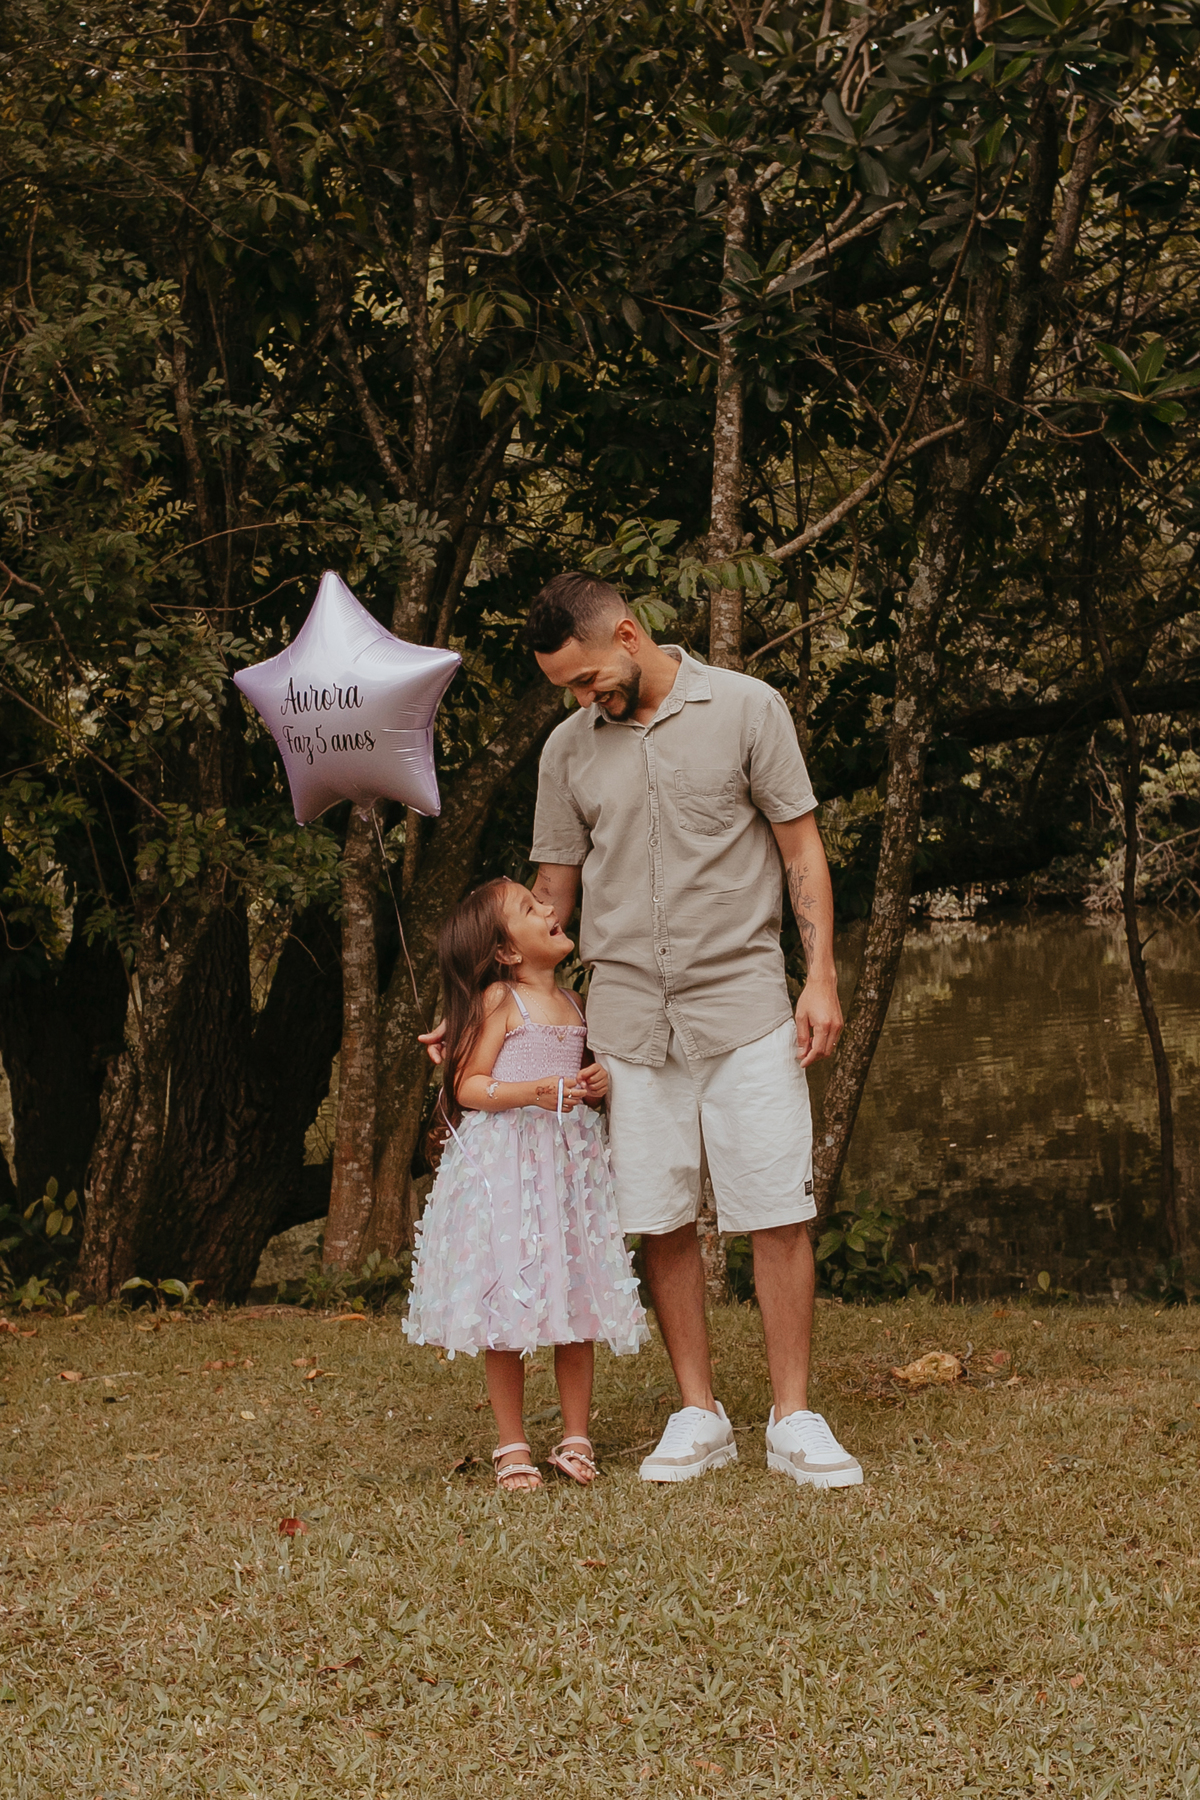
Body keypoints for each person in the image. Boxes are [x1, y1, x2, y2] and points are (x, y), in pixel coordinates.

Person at [403, 875, 647, 1492]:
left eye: (542, 902)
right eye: (529, 907)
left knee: (575, 1290)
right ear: (507, 951)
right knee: (506, 1298)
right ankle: (512, 1443)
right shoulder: (499, 1000)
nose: (549, 907)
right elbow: (468, 1086)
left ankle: (576, 1435)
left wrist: (593, 1082)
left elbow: (577, 1076)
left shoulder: (575, 1002)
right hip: (508, 1169)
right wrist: (535, 1091)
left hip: (566, 1170)